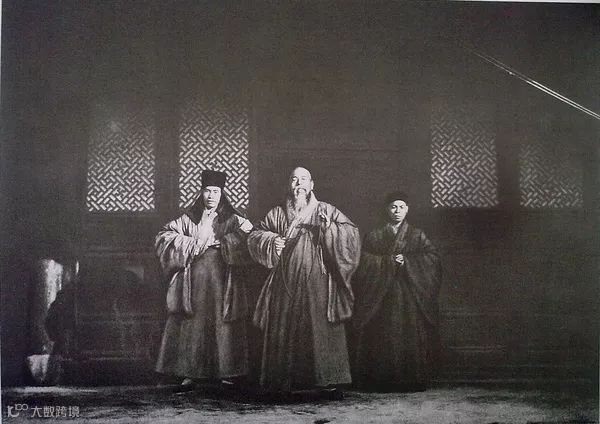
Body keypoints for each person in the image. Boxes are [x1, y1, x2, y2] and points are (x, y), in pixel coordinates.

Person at [247, 167, 361, 397]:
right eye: (294, 179)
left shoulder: (326, 209)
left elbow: (352, 234)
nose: (298, 184)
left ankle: (326, 380)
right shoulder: (277, 213)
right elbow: (255, 235)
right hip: (285, 280)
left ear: (312, 185)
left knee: (320, 327)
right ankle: (282, 380)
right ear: (289, 184)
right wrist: (272, 241)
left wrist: (329, 228)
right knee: (283, 325)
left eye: (303, 179)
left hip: (319, 280)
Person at [155, 170, 253, 386]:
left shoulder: (233, 218)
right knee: (193, 322)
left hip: (223, 280)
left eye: (215, 191)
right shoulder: (189, 218)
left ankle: (226, 372)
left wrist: (226, 242)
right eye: (207, 191)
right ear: (201, 192)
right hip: (193, 282)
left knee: (222, 322)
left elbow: (249, 238)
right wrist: (192, 243)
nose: (211, 196)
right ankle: (189, 372)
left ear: (222, 193)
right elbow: (164, 237)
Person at [351, 191, 441, 391]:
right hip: (381, 296)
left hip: (408, 294)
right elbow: (363, 261)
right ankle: (381, 381)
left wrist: (407, 262)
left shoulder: (417, 235)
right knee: (382, 335)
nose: (397, 211)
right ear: (387, 210)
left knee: (408, 334)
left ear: (407, 209)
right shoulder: (374, 236)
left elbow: (432, 259)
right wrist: (387, 262)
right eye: (393, 207)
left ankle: (410, 381)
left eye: (401, 207)